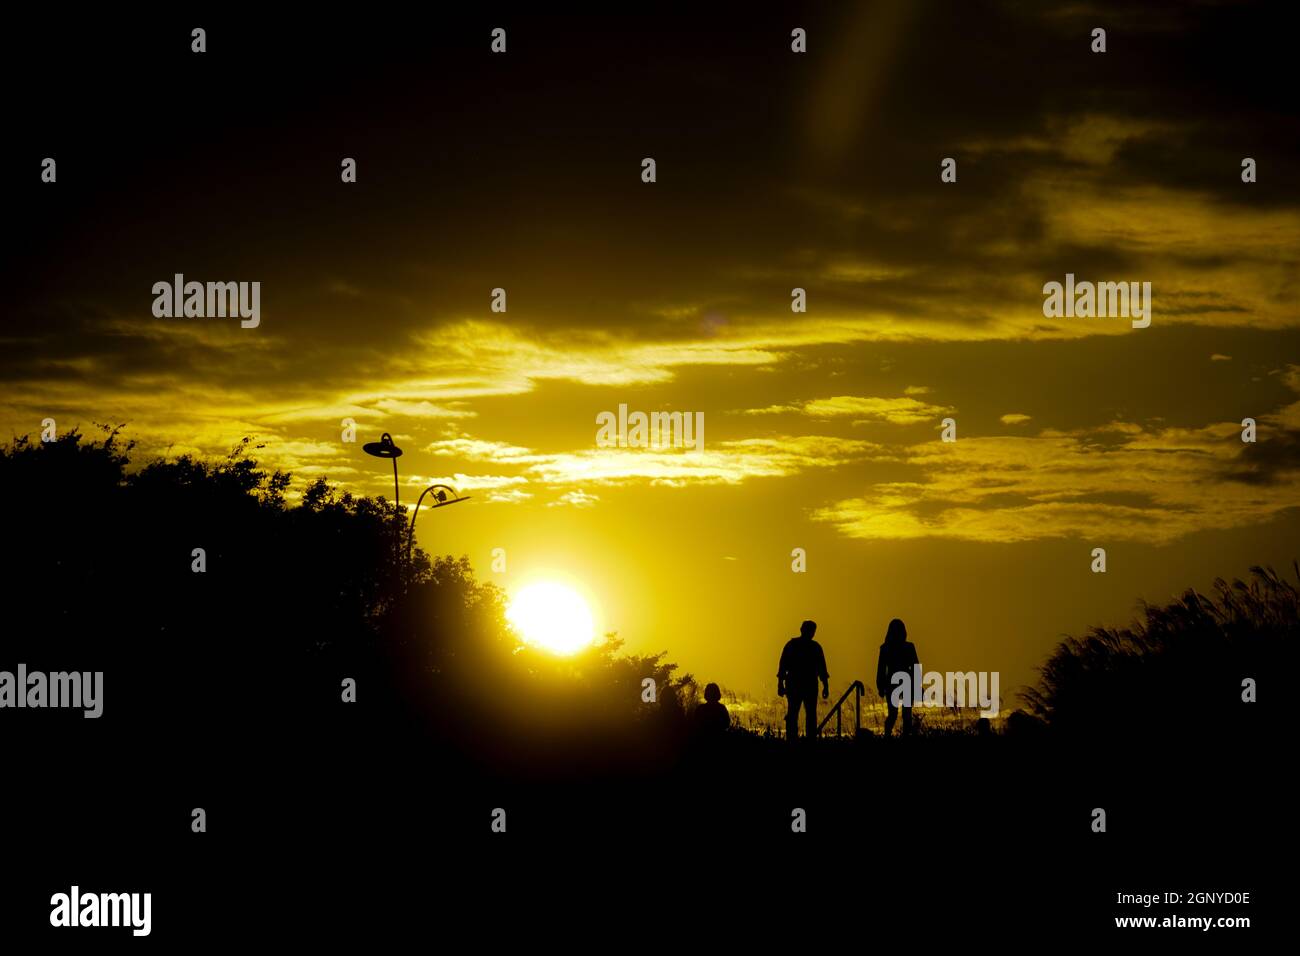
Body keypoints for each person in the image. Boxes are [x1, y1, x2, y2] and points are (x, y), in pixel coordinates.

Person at [777, 620, 829, 740]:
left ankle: (807, 739)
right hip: (798, 684)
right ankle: (794, 739)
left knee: (807, 714)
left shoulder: (813, 647)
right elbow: (782, 666)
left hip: (805, 684)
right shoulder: (796, 646)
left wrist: (826, 685)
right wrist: (780, 684)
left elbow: (822, 668)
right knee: (795, 714)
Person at [876, 618, 920, 736]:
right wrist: (880, 685)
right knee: (899, 714)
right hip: (896, 683)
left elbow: (916, 667)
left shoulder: (888, 648)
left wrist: (880, 686)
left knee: (901, 714)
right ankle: (890, 735)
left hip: (901, 683)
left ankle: (891, 735)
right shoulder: (889, 648)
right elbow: (881, 668)